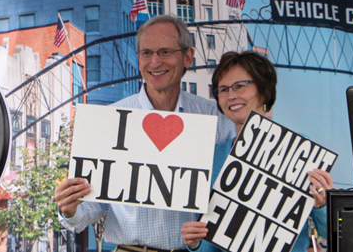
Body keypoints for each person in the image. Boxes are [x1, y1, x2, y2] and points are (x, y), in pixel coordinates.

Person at [54, 15, 235, 251]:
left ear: (188, 57)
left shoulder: (217, 121)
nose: (155, 62)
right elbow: (88, 212)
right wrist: (69, 209)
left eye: (165, 52)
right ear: (138, 58)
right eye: (146, 53)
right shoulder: (109, 120)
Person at [180, 51, 333, 252]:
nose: (231, 95)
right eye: (223, 89)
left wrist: (322, 205)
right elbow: (210, 245)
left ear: (263, 89)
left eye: (240, 86)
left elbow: (330, 232)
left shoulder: (299, 151)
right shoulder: (212, 159)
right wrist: (195, 244)